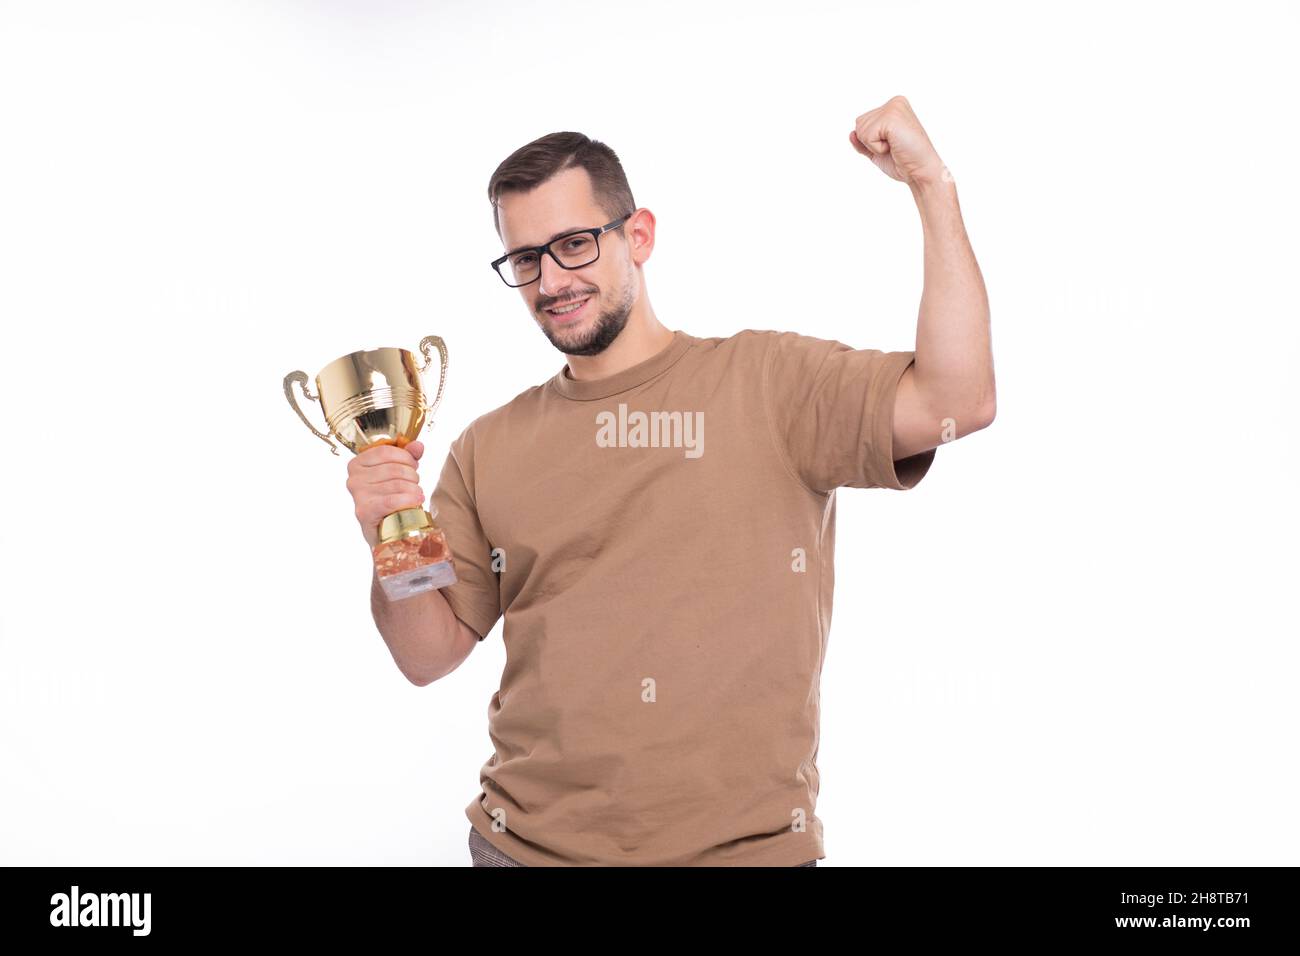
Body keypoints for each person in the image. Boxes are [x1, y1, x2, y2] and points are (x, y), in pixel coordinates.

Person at [348, 96, 995, 867]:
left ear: (640, 236)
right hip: (524, 851)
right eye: (527, 259)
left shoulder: (769, 381)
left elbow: (959, 400)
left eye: (576, 244)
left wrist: (932, 183)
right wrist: (391, 534)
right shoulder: (489, 446)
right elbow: (428, 655)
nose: (552, 280)